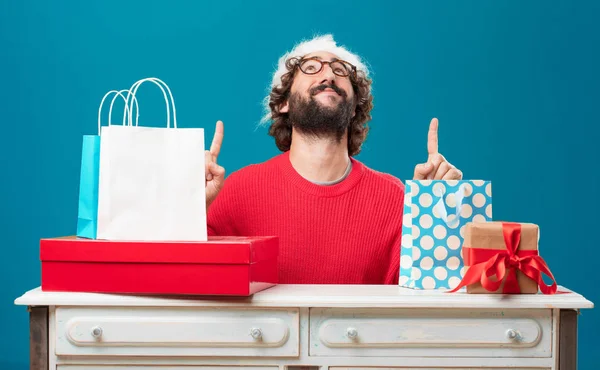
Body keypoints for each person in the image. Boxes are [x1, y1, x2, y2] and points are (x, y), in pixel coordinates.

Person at [204, 34, 463, 285]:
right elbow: (188, 280)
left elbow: (435, 299)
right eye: (311, 67)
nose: (328, 75)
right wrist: (191, 203)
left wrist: (436, 215)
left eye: (340, 70)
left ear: (353, 108)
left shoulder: (398, 200)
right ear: (284, 103)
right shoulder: (235, 192)